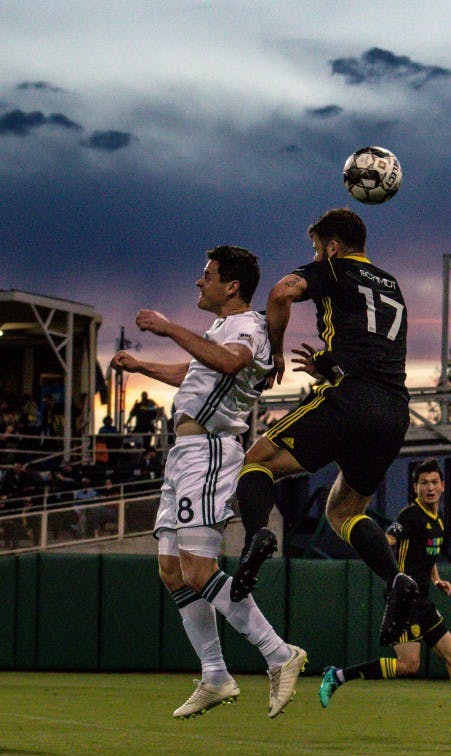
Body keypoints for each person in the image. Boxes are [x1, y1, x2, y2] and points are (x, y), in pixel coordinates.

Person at [110, 245, 306, 719]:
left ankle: (280, 653)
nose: (200, 282)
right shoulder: (222, 329)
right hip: (184, 455)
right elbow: (198, 371)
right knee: (173, 571)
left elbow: (230, 363)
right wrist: (143, 367)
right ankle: (216, 675)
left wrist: (168, 326)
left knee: (198, 570)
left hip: (212, 452)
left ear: (231, 285)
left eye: (207, 275)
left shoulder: (247, 326)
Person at [229, 208, 417, 646]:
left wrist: (274, 352)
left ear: (332, 247)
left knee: (256, 463)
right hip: (393, 412)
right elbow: (373, 352)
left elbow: (280, 293)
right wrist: (328, 365)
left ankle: (256, 536)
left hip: (349, 400)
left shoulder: (332, 269)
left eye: (316, 247)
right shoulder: (392, 286)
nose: (314, 254)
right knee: (345, 511)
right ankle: (396, 580)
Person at [318, 459, 451, 736]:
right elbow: (389, 540)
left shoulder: (438, 520)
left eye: (434, 482)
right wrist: (367, 541)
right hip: (404, 600)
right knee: (409, 665)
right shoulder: (410, 516)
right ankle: (337, 676)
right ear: (415, 488)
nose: (430, 487)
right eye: (424, 483)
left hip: (423, 600)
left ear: (443, 486)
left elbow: (424, 555)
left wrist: (437, 579)